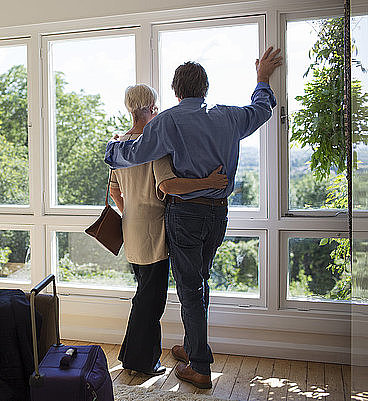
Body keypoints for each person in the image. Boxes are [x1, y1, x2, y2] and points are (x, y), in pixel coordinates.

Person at [105, 47, 282, 388]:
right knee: (200, 281)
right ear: (205, 88)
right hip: (218, 214)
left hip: (185, 214)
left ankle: (200, 365)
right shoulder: (228, 116)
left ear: (176, 91)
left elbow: (138, 152)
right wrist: (261, 78)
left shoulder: (169, 120)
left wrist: (112, 150)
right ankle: (192, 347)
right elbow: (262, 109)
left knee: (190, 288)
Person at [108, 84, 228, 376]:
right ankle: (142, 362)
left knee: (144, 295)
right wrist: (210, 183)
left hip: (131, 228)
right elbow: (169, 186)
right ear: (150, 109)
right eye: (156, 107)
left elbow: (115, 193)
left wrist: (131, 215)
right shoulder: (155, 146)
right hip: (155, 233)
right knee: (151, 301)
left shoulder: (119, 146)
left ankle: (132, 356)